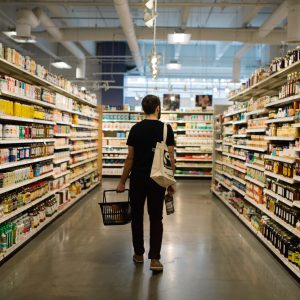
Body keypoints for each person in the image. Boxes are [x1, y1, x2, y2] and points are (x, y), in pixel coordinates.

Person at [116, 95, 175, 272]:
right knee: (156, 218)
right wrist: (170, 182)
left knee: (137, 216)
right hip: (158, 180)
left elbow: (130, 158)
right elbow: (170, 158)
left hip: (138, 180)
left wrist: (121, 182)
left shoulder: (135, 129)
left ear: (143, 109)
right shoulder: (166, 128)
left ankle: (139, 253)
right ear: (158, 108)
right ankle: (155, 259)